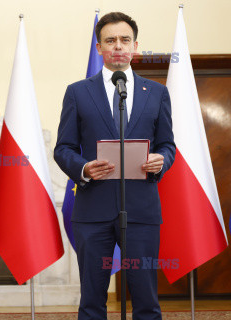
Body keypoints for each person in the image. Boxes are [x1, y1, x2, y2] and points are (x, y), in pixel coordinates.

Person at [54, 12, 176, 320]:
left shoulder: (157, 92)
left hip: (142, 210)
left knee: (146, 300)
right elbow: (63, 148)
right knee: (92, 300)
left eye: (124, 40)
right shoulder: (78, 92)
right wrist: (83, 168)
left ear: (136, 46)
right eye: (110, 40)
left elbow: (167, 145)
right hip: (93, 209)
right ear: (99, 48)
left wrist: (161, 161)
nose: (118, 46)